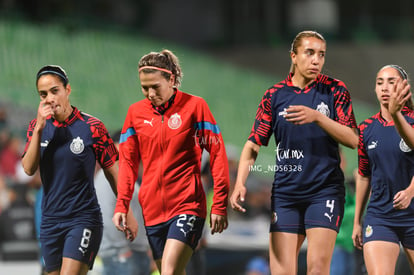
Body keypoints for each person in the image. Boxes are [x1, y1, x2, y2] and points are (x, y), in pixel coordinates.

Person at [230, 30, 358, 275]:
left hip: (324, 190)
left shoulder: (335, 91)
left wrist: (319, 118)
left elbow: (353, 139)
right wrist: (240, 183)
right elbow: (253, 144)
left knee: (318, 268)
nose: (316, 60)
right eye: (309, 53)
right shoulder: (274, 96)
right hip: (286, 194)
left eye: (321, 55)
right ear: (294, 56)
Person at [113, 49, 230, 275]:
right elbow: (127, 163)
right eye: (144, 88)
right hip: (152, 211)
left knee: (168, 270)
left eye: (155, 87)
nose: (149, 93)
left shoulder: (195, 107)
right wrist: (122, 204)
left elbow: (217, 152)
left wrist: (220, 203)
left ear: (172, 80)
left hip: (188, 205)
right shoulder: (135, 113)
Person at [21, 65, 137, 275]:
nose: (49, 98)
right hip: (50, 221)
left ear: (68, 90)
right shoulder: (36, 128)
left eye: (55, 91)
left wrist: (125, 210)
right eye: (43, 94)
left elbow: (114, 172)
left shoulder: (93, 127)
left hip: (83, 218)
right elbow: (28, 169)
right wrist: (38, 129)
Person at [352, 64, 414, 274]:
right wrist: (357, 221)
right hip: (380, 217)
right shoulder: (366, 128)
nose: (385, 87)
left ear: (404, 88)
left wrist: (410, 192)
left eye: (391, 82)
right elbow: (363, 175)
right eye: (380, 83)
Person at [95, 130, 151, 275]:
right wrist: (121, 250)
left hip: (136, 252)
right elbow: (106, 215)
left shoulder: (127, 176)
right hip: (121, 256)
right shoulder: (106, 177)